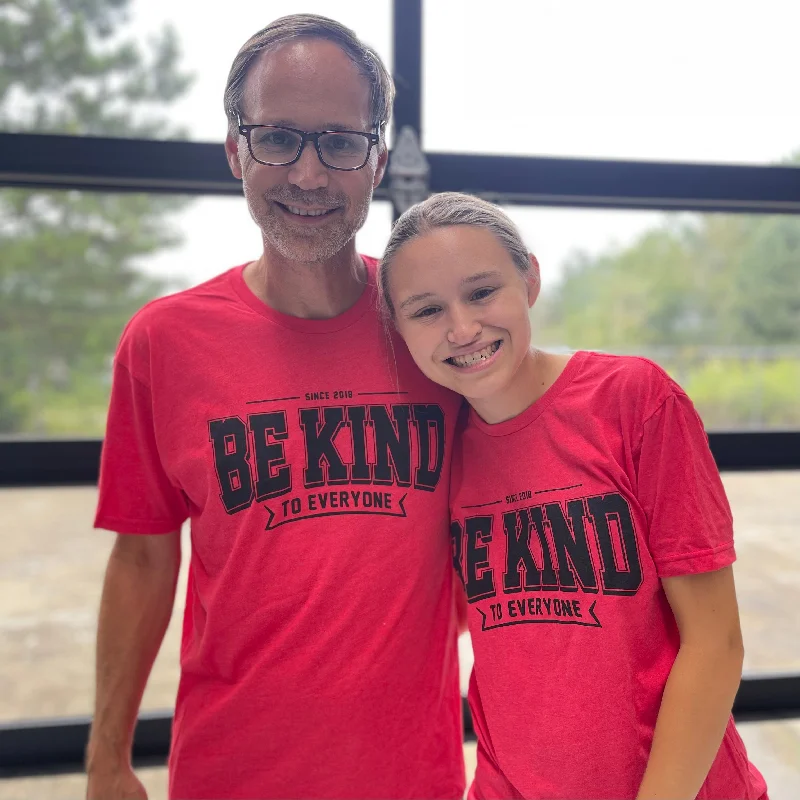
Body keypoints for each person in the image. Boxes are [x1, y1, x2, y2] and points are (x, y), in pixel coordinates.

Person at [85, 17, 466, 800]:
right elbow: (143, 557)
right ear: (235, 150)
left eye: (339, 142)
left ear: (378, 161)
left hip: (412, 780)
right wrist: (106, 757)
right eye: (279, 139)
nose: (310, 174)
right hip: (230, 775)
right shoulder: (164, 342)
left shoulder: (435, 333)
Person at [378, 192, 769, 800]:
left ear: (529, 278)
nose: (461, 328)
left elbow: (715, 643)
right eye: (426, 310)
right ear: (399, 330)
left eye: (482, 292)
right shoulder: (441, 450)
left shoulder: (633, 400)